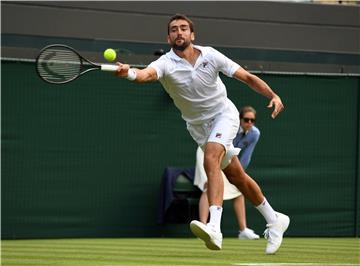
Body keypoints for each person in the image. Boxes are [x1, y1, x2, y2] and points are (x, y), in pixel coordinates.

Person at [115, 14, 290, 254]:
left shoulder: (210, 55)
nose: (179, 32)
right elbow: (146, 74)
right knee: (238, 177)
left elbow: (247, 77)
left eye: (184, 28)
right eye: (174, 29)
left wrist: (273, 95)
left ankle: (214, 228)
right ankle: (274, 219)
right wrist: (129, 73)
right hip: (198, 127)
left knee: (211, 157)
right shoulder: (165, 63)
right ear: (169, 37)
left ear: (192, 35)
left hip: (224, 115)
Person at [194, 106, 260, 240]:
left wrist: (238, 175)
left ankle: (243, 230)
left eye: (252, 121)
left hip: (227, 155)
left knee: (239, 189)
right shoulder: (232, 126)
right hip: (207, 151)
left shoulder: (254, 133)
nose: (249, 123)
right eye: (246, 120)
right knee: (209, 186)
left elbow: (246, 156)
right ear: (240, 119)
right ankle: (203, 226)